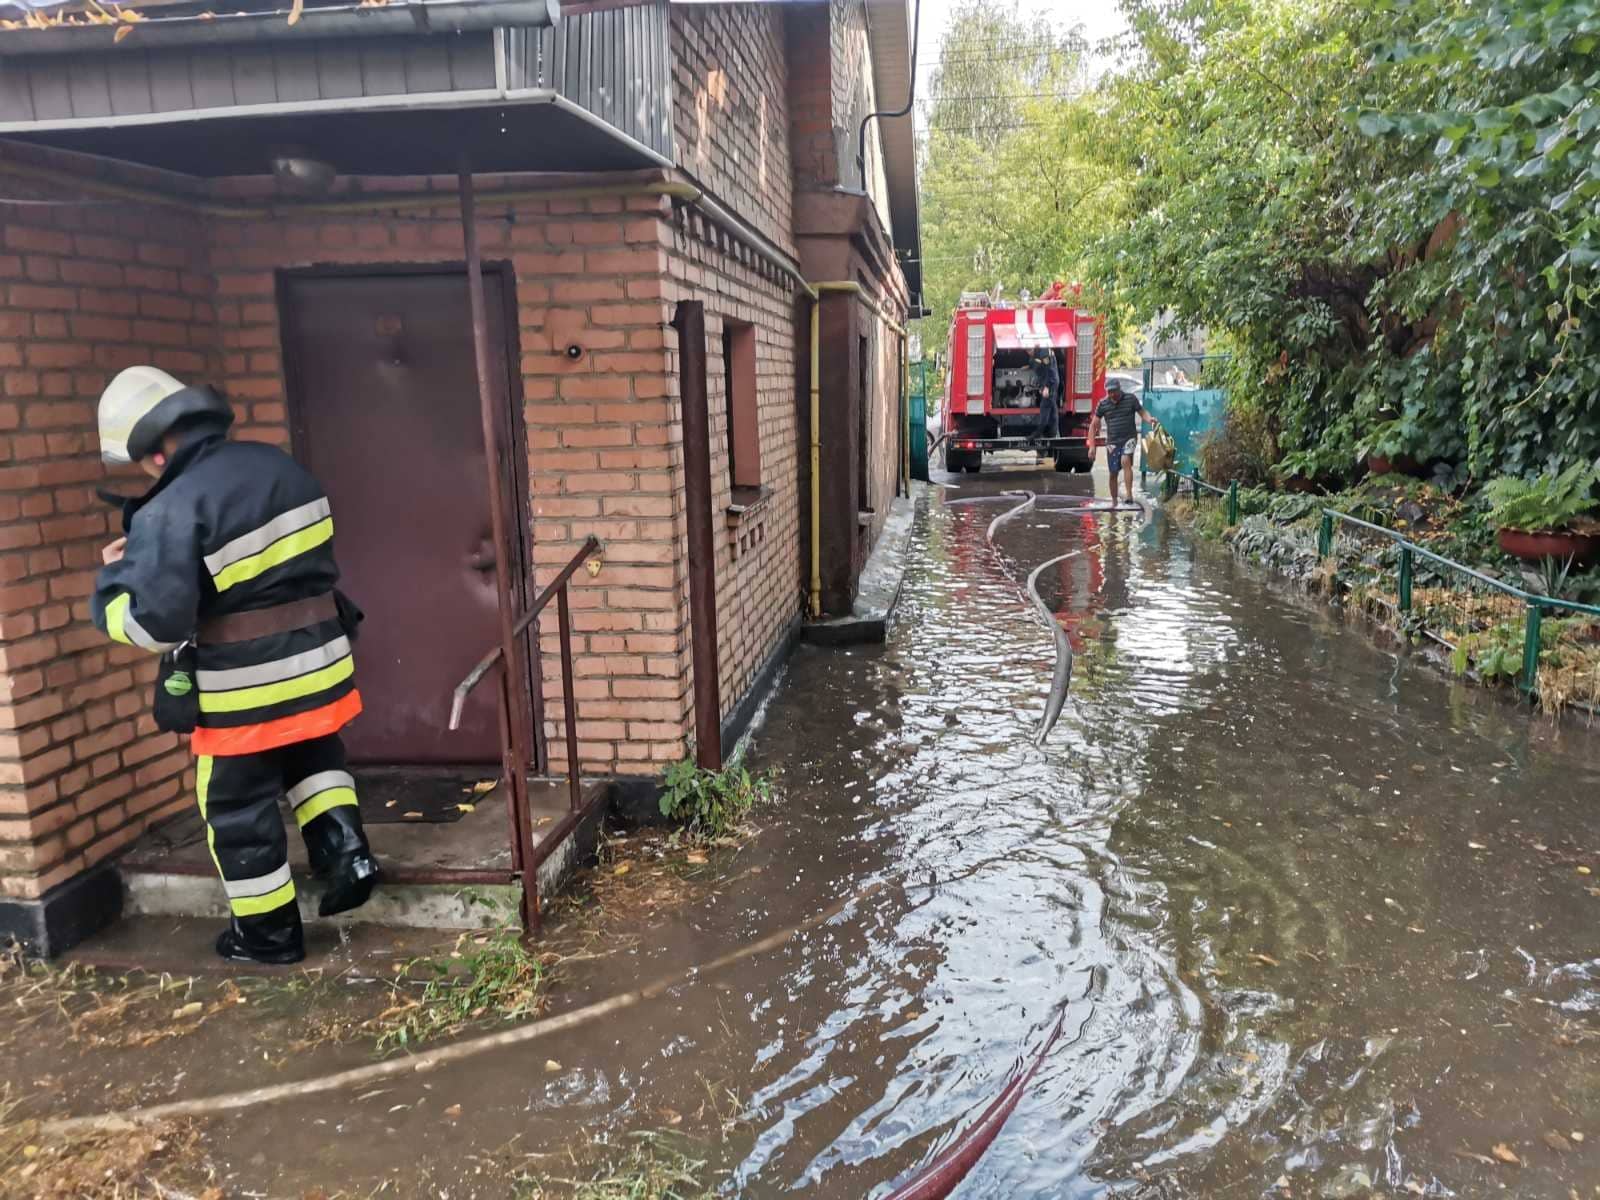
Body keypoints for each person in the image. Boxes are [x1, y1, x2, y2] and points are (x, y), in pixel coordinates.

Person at [92, 366, 379, 965]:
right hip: (321, 662)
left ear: (153, 450)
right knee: (313, 757)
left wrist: (117, 582)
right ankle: (348, 857)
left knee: (234, 807)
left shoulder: (171, 507)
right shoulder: (278, 465)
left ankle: (267, 936)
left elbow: (155, 624)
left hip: (243, 687)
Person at [1097, 379, 1160, 507]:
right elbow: (1094, 424)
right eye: (1109, 392)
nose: (1112, 394)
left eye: (1114, 391)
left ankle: (1129, 495)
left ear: (1120, 389)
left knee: (1125, 461)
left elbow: (1142, 412)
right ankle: (1114, 502)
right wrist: (1092, 446)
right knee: (1113, 473)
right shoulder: (1103, 404)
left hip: (1129, 438)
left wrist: (1150, 419)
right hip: (1112, 442)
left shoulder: (1130, 399)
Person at [1030, 346, 1060, 442]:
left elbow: (1049, 369)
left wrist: (1046, 386)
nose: (1028, 352)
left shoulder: (1044, 352)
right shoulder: (1042, 351)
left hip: (1050, 383)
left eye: (1029, 350)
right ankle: (1052, 433)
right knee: (1053, 408)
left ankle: (1038, 433)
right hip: (1051, 382)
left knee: (1045, 408)